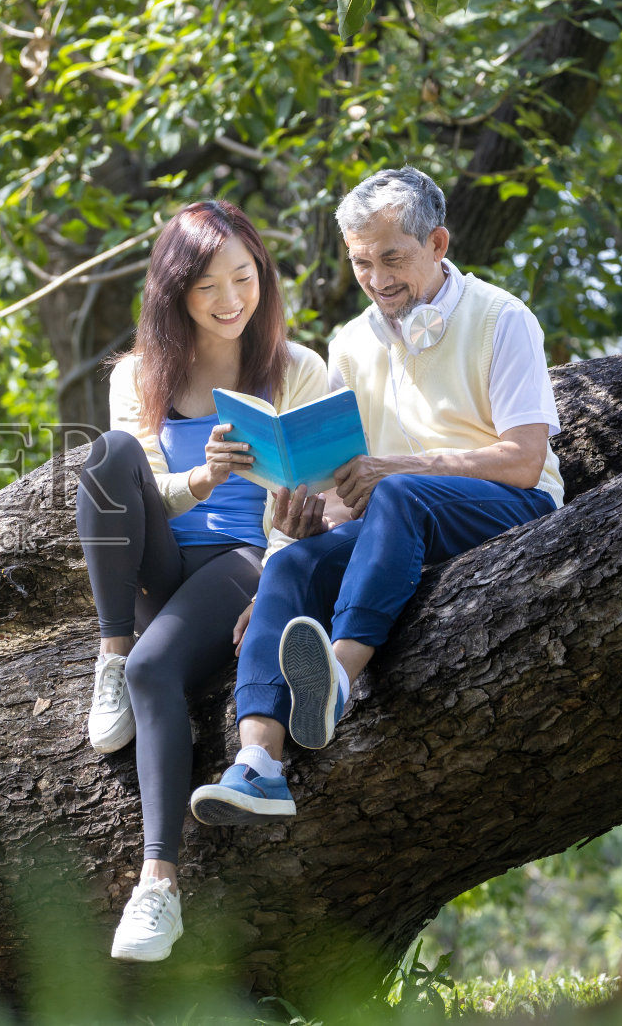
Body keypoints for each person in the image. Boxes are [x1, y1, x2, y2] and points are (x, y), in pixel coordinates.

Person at [188, 166, 565, 827]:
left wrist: (395, 469)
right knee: (291, 566)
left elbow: (525, 458)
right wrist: (305, 522)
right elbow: (345, 488)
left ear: (439, 243)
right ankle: (259, 765)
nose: (378, 277)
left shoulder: (503, 318)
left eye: (393, 257)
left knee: (399, 494)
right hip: (404, 520)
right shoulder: (351, 344)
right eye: (362, 262)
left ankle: (336, 673)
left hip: (512, 505)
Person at [75, 200, 331, 962]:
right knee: (106, 456)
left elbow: (303, 505)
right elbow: (143, 489)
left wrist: (275, 584)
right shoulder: (139, 374)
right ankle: (111, 650)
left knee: (163, 670)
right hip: (159, 559)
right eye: (208, 286)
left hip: (240, 562)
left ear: (263, 278)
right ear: (174, 292)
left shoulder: (298, 368)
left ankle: (159, 883)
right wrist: (201, 475)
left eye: (244, 279)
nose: (230, 301)